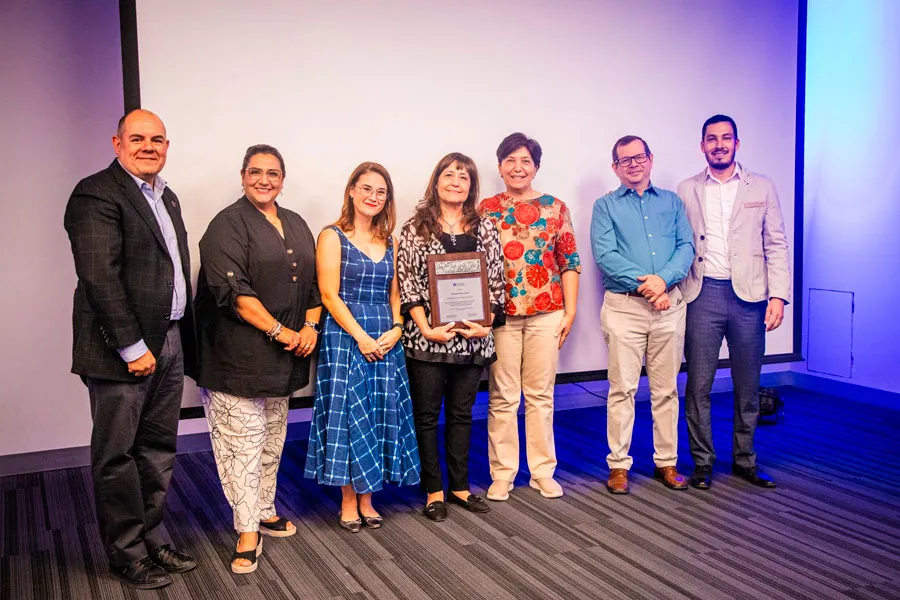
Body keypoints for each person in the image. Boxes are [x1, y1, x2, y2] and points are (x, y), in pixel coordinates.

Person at [63, 109, 197, 589]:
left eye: (157, 139)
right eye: (137, 138)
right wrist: (133, 346)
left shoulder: (168, 196)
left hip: (170, 341)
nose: (149, 146)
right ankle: (125, 553)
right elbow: (99, 275)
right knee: (117, 455)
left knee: (158, 448)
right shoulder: (97, 192)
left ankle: (151, 537)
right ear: (116, 143)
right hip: (124, 351)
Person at [194, 144, 322, 573]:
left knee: (271, 441)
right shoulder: (226, 225)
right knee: (241, 447)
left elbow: (313, 288)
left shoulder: (297, 223)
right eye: (255, 172)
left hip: (283, 360)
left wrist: (310, 328)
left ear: (283, 179)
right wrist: (282, 331)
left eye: (272, 173)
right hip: (235, 361)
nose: (264, 179)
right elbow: (236, 296)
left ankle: (264, 510)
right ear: (243, 175)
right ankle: (246, 528)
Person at [305, 162, 420, 532]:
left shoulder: (391, 242)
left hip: (385, 337)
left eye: (381, 191)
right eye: (366, 188)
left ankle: (370, 498)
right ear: (351, 190)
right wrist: (360, 336)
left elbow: (395, 296)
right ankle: (348, 500)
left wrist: (398, 328)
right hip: (345, 335)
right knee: (349, 414)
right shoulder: (331, 236)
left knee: (380, 412)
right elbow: (328, 294)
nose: (373, 197)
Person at [677, 115, 791, 490]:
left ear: (737, 143)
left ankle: (745, 460)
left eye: (726, 138)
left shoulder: (762, 186)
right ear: (703, 146)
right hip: (702, 293)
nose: (719, 144)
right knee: (698, 386)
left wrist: (778, 295)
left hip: (750, 298)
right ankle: (703, 462)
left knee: (748, 385)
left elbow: (775, 243)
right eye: (712, 139)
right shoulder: (687, 188)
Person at [397, 153, 506, 521]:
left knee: (462, 414)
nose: (456, 181)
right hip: (429, 340)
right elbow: (407, 280)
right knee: (426, 417)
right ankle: (433, 491)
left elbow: (496, 280)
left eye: (464, 176)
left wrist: (487, 324)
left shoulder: (485, 227)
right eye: (449, 174)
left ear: (471, 186)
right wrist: (426, 327)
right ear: (436, 181)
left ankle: (459, 488)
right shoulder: (415, 228)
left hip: (474, 339)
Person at [478, 133, 581, 501]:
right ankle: (502, 472)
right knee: (503, 395)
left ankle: (542, 471)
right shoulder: (486, 208)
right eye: (510, 160)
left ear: (536, 167)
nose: (517, 168)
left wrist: (570, 311)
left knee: (540, 394)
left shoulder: (556, 208)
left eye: (525, 161)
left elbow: (569, 261)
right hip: (501, 317)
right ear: (500, 166)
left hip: (546, 313)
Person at [590, 135, 695, 495]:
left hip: (669, 308)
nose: (633, 164)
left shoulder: (672, 202)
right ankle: (618, 466)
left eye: (639, 157)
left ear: (651, 159)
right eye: (625, 160)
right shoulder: (605, 207)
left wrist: (663, 282)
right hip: (625, 308)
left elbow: (686, 247)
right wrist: (650, 287)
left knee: (666, 390)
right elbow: (606, 256)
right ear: (615, 168)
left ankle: (666, 462)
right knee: (622, 389)